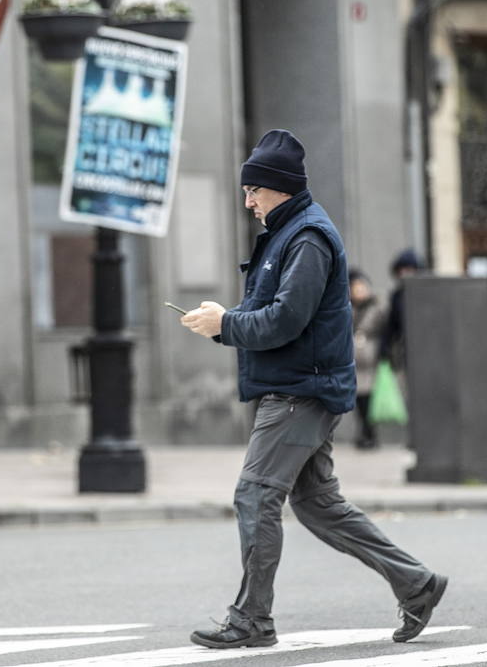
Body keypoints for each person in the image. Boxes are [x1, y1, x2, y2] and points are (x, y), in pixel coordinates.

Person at [180, 129, 447, 649]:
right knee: (317, 504)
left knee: (256, 494)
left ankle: (253, 620)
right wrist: (224, 323)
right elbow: (275, 317)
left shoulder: (306, 237)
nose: (247, 200)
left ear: (276, 188)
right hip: (299, 386)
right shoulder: (289, 232)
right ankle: (416, 584)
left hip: (300, 392)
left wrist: (226, 324)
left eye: (252, 189)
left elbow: (286, 320)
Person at [348, 268, 386, 450]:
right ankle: (363, 432)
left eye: (361, 288)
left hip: (371, 360)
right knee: (358, 399)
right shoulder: (348, 308)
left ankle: (370, 433)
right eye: (355, 288)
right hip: (353, 361)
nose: (359, 291)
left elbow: (384, 333)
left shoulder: (376, 308)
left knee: (369, 399)